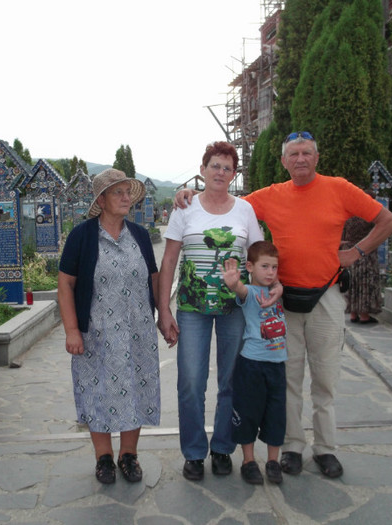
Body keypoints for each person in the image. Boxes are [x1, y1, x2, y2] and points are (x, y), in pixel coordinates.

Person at [175, 132, 392, 479]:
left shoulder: (338, 188)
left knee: (325, 379)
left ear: (316, 157)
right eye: (293, 154)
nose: (300, 159)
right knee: (288, 379)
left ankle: (325, 449)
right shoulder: (269, 197)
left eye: (306, 153)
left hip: (324, 295)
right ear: (283, 161)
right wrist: (187, 194)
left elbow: (389, 220)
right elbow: (223, 204)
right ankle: (292, 447)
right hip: (281, 301)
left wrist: (356, 252)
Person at [158, 141, 275, 482]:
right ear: (203, 170)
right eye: (215, 166)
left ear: (234, 174)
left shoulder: (245, 210)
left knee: (230, 381)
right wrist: (164, 310)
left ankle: (223, 447)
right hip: (192, 308)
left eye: (227, 167)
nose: (221, 172)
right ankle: (194, 452)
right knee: (191, 381)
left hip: (234, 308)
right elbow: (168, 261)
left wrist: (272, 284)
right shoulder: (185, 208)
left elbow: (258, 255)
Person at [57, 168, 160, 484]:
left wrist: (165, 315)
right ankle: (103, 458)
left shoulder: (140, 236)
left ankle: (129, 455)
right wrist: (72, 330)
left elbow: (153, 279)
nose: (126, 197)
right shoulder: (82, 236)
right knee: (97, 391)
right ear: (101, 200)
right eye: (118, 192)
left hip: (138, 333)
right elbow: (65, 284)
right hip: (96, 335)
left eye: (127, 191)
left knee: (137, 390)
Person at [222, 240, 287, 485]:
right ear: (250, 266)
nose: (270, 272)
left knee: (276, 414)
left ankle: (273, 461)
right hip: (252, 365)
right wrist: (234, 283)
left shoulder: (277, 291)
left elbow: (281, 284)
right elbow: (241, 290)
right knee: (248, 412)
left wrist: (279, 285)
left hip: (278, 364)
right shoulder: (251, 293)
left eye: (274, 267)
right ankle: (248, 461)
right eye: (265, 267)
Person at [342, 190, 383, 324]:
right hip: (365, 252)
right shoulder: (369, 215)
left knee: (352, 283)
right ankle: (364, 315)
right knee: (365, 283)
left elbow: (342, 234)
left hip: (349, 252)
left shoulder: (348, 215)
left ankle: (353, 314)